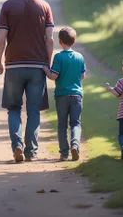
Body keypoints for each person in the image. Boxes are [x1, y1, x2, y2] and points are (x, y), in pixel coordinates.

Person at [0, 0, 54, 162]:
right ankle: (31, 151)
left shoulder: (7, 6)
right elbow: (49, 40)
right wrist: (48, 64)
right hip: (37, 66)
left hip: (13, 65)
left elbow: (1, 39)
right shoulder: (45, 6)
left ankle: (17, 145)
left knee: (13, 108)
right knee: (33, 110)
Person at [44, 27, 86, 161]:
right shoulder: (79, 57)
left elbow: (54, 76)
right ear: (74, 41)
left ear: (60, 41)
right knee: (76, 123)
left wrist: (46, 70)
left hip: (62, 95)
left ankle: (64, 153)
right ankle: (75, 144)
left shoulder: (59, 57)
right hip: (77, 96)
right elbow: (83, 76)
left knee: (62, 125)